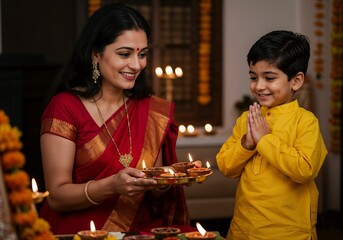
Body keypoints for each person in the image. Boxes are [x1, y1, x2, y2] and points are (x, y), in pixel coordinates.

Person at [39, 3, 192, 235]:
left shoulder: (150, 109)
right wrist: (112, 185)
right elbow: (57, 197)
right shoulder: (65, 107)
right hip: (82, 233)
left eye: (142, 54)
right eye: (125, 54)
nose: (136, 64)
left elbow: (153, 187)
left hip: (139, 230)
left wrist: (169, 181)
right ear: (96, 54)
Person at [216, 30, 327, 240]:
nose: (258, 86)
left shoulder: (305, 121)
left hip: (289, 233)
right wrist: (247, 143)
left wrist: (265, 140)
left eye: (269, 78)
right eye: (253, 77)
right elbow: (225, 167)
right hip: (243, 230)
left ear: (296, 81)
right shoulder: (247, 119)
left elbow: (305, 170)